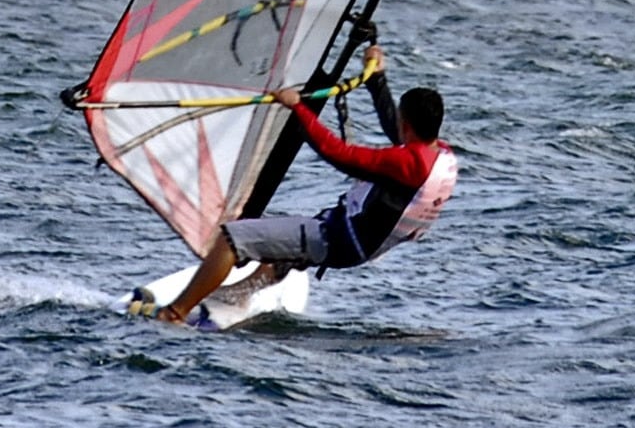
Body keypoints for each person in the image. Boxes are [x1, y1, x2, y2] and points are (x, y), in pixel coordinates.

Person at [148, 45, 457, 325]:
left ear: (407, 125)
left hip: (338, 238)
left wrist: (298, 109)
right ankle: (237, 295)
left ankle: (174, 314)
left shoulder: (407, 163)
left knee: (233, 238)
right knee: (285, 248)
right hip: (360, 244)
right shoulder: (440, 156)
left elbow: (339, 154)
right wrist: (377, 80)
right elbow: (398, 131)